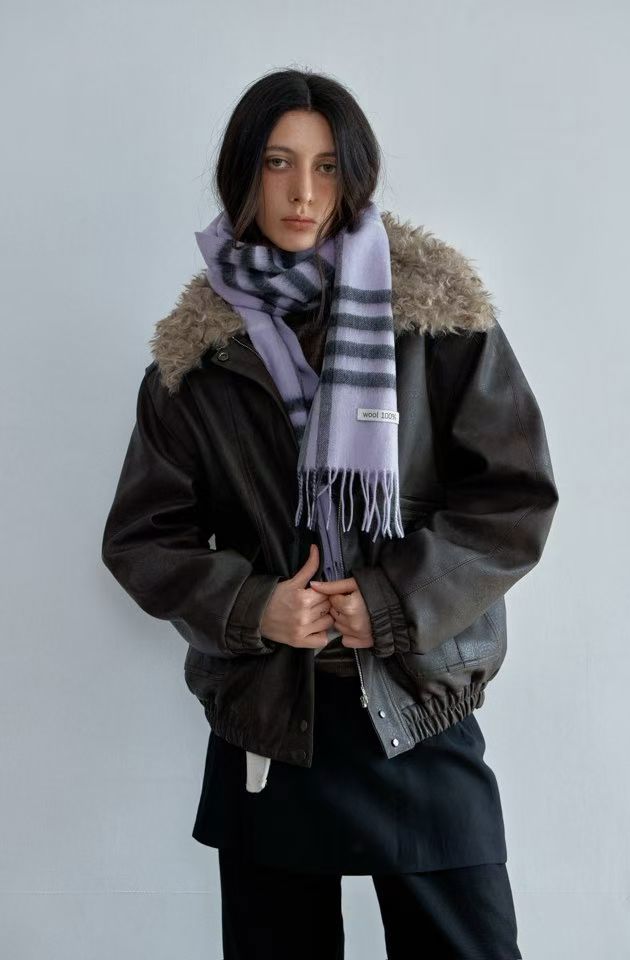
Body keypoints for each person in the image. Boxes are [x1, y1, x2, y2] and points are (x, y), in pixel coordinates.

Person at [101, 67, 559, 960]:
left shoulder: (440, 320)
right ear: (244, 175)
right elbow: (142, 538)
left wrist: (389, 602)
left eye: (324, 166)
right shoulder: (194, 362)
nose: (303, 193)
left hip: (421, 704)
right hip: (268, 722)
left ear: (354, 177)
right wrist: (255, 606)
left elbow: (514, 497)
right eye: (278, 163)